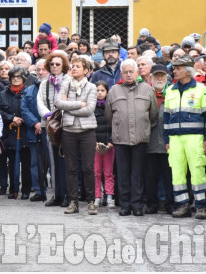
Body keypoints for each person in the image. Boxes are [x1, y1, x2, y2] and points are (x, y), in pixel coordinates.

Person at [105, 59, 158, 217]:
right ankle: (125, 205)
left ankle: (137, 205)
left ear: (137, 73)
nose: (128, 75)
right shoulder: (114, 90)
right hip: (121, 138)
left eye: (131, 72)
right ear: (121, 74)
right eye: (125, 72)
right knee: (123, 173)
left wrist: (144, 126)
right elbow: (109, 116)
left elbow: (153, 114)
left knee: (138, 173)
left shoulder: (147, 89)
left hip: (140, 138)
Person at [163, 55, 206, 219]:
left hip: (194, 137)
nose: (174, 71)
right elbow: (166, 118)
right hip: (175, 138)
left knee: (197, 170)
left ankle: (200, 206)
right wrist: (167, 139)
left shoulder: (200, 89)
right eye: (174, 68)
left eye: (178, 68)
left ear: (188, 71)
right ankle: (182, 204)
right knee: (177, 172)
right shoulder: (170, 90)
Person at [54, 57, 98, 215]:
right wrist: (80, 104)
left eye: (78, 67)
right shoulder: (65, 84)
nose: (74, 69)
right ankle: (73, 201)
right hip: (69, 131)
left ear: (86, 70)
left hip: (87, 131)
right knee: (70, 168)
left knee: (88, 167)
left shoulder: (92, 87)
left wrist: (69, 107)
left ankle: (91, 201)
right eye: (73, 66)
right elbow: (58, 104)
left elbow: (90, 110)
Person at [37, 53, 70, 208]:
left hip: (67, 125)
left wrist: (61, 115)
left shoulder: (69, 81)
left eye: (58, 64)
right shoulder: (45, 83)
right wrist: (49, 115)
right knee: (53, 162)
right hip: (50, 126)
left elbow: (72, 101)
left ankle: (66, 195)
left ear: (63, 66)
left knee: (65, 161)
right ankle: (57, 194)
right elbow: (40, 102)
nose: (55, 67)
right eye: (52, 64)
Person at [0, 66, 32, 199]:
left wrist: (23, 119)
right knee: (12, 163)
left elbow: (31, 108)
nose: (16, 79)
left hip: (25, 132)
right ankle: (13, 188)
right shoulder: (2, 95)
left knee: (26, 163)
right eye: (13, 77)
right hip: (9, 133)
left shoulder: (28, 92)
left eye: (18, 77)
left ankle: (26, 189)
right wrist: (12, 118)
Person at [145, 64, 174, 214]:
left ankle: (170, 204)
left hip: (168, 144)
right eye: (156, 76)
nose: (160, 78)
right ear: (151, 77)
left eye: (162, 75)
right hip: (149, 143)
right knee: (150, 177)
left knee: (169, 177)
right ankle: (152, 204)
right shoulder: (145, 93)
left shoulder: (173, 93)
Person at [20, 59, 49, 202]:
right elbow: (24, 109)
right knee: (35, 163)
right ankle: (39, 190)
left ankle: (57, 192)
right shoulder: (29, 90)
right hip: (34, 131)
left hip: (52, 131)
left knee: (52, 162)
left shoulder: (55, 88)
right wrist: (35, 123)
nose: (41, 72)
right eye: (38, 69)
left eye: (44, 69)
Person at [93, 81, 115, 209]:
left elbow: (114, 125)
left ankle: (110, 195)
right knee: (96, 172)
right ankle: (97, 196)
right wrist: (94, 142)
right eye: (97, 90)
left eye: (102, 90)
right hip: (95, 145)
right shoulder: (92, 107)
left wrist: (111, 141)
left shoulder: (110, 107)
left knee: (108, 172)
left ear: (107, 92)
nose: (99, 93)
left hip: (109, 145)